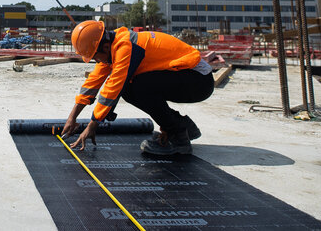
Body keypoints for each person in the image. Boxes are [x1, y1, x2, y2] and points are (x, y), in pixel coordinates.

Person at [60, 20, 214, 155]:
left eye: (94, 56)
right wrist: (72, 117)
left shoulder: (125, 48)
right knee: (132, 88)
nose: (95, 60)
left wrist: (92, 125)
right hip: (187, 77)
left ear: (105, 48)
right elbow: (93, 82)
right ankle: (183, 127)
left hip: (198, 80)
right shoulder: (112, 45)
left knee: (137, 86)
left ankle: (178, 138)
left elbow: (112, 89)